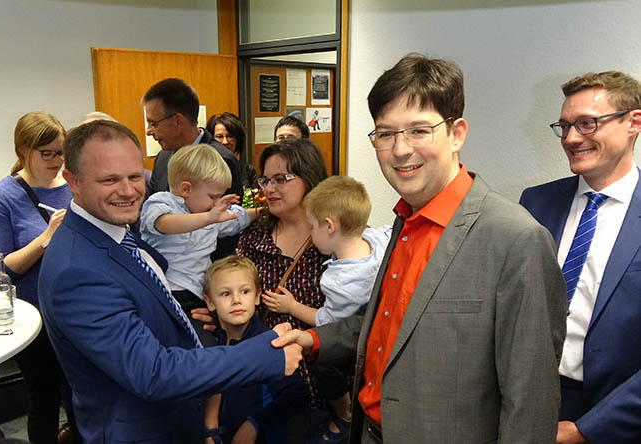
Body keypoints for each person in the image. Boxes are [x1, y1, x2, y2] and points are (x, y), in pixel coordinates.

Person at [273, 53, 567, 444]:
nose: (400, 150)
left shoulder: (515, 239)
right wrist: (316, 340)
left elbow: (530, 401)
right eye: (386, 133)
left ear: (457, 133)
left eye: (419, 131)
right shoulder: (403, 221)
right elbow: (395, 325)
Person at [37, 120, 302, 444]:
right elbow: (152, 373)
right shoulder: (76, 271)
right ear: (72, 181)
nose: (127, 190)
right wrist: (267, 354)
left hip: (175, 414)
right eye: (109, 179)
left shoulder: (114, 231)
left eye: (134, 176)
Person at [520, 71, 641, 444]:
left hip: (617, 416)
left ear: (633, 122)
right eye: (565, 126)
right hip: (529, 402)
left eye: (587, 124)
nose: (572, 139)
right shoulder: (535, 204)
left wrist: (587, 430)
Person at [263, 175, 389, 443]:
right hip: (382, 328)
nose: (309, 233)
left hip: (358, 336)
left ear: (329, 226)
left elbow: (326, 321)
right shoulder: (375, 239)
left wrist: (291, 306)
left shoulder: (339, 281)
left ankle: (344, 412)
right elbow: (390, 230)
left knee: (321, 358)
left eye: (312, 226)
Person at [0, 111, 74, 444]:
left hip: (78, 306)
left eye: (60, 151)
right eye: (46, 153)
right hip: (36, 317)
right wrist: (46, 237)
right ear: (23, 150)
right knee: (45, 398)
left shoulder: (73, 184)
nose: (56, 160)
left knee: (83, 394)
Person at [236, 138, 328, 415]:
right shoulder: (254, 237)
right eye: (265, 180)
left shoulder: (337, 237)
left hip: (325, 380)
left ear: (309, 179)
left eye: (281, 179)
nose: (269, 189)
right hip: (265, 379)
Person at [140, 144, 257, 322]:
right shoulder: (161, 202)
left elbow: (237, 218)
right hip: (166, 292)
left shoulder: (213, 214)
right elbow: (165, 224)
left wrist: (263, 211)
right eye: (212, 196)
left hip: (200, 294)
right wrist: (208, 217)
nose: (216, 203)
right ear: (186, 189)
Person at [202, 256, 308, 444]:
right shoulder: (210, 340)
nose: (236, 300)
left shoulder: (270, 344)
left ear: (257, 296)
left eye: (245, 291)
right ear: (209, 302)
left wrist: (254, 424)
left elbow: (296, 394)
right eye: (226, 294)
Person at [142, 78, 243, 259]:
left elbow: (226, 224)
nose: (148, 131)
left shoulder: (220, 159)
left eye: (153, 123)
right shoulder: (163, 157)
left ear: (178, 121)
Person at [206, 112, 258, 189]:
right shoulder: (202, 170)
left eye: (230, 136)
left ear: (237, 140)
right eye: (219, 136)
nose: (225, 142)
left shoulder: (248, 171)